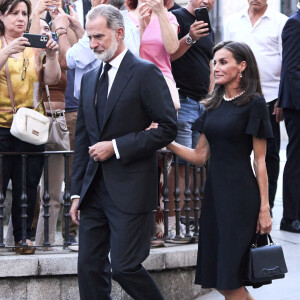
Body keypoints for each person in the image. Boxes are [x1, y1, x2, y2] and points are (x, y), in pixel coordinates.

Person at [69, 4, 177, 299]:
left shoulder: (145, 73)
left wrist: (116, 147)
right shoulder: (89, 78)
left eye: (99, 37)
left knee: (125, 267)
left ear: (119, 33)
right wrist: (77, 193)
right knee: (89, 269)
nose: (93, 44)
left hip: (130, 189)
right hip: (93, 192)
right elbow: (83, 142)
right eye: (90, 38)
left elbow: (168, 128)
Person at [167, 41, 272, 299]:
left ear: (242, 66)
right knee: (222, 278)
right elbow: (200, 156)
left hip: (240, 198)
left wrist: (264, 208)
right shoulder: (212, 105)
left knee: (230, 279)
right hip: (214, 197)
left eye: (223, 62)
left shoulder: (254, 104)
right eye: (214, 63)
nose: (216, 67)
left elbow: (260, 161)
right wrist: (166, 142)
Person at [0, 0, 60, 253]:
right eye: (14, 13)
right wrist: (7, 51)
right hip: (2, 125)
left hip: (31, 126)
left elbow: (52, 79)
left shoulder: (33, 44)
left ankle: (23, 238)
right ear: (1, 17)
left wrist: (54, 56)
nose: (20, 18)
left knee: (27, 185)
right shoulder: (5, 45)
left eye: (24, 13)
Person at [224, 0, 288, 215]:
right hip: (236, 96)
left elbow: (287, 62)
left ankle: (265, 206)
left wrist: (282, 97)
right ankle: (237, 203)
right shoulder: (232, 21)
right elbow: (223, 58)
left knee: (269, 155)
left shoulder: (281, 22)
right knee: (235, 151)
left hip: (270, 97)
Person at [29, 3, 70, 246]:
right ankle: (19, 239)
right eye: (39, 29)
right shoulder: (26, 56)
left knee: (54, 192)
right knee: (29, 190)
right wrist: (35, 13)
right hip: (33, 124)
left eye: (48, 30)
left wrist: (62, 26)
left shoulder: (56, 55)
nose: (45, 33)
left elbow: (58, 74)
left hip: (57, 123)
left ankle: (47, 241)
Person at [126, 0, 180, 109]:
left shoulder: (169, 17)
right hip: (133, 81)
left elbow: (172, 48)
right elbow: (128, 56)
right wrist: (141, 29)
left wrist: (160, 12)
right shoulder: (124, 19)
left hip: (161, 78)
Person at [277, 2, 300, 233]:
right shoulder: (294, 23)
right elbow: (291, 69)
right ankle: (290, 217)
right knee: (296, 159)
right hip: (297, 106)